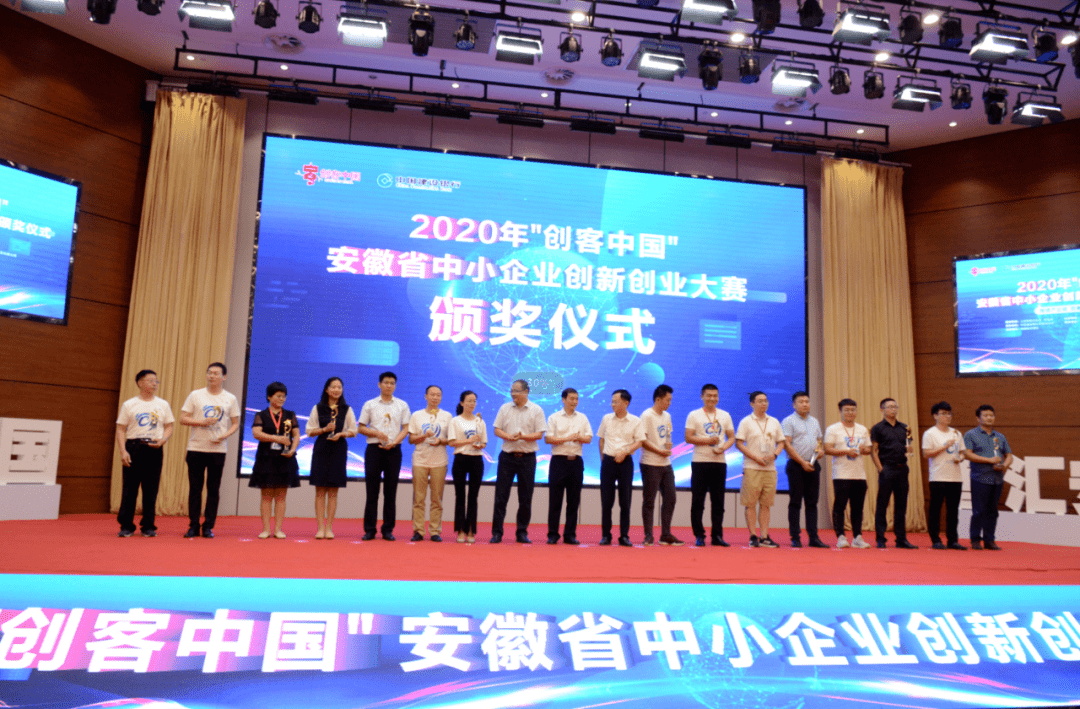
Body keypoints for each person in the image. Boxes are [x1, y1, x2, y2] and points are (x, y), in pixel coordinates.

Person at [180, 362, 240, 539]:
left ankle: (208, 526)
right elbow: (183, 419)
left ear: (224, 377)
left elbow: (235, 423)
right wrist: (202, 422)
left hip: (217, 450)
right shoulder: (196, 395)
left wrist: (224, 435)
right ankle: (193, 525)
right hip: (196, 448)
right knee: (195, 489)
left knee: (213, 489)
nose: (212, 376)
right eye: (209, 373)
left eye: (216, 373)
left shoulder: (230, 398)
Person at [114, 369, 173, 538]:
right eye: (150, 380)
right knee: (129, 489)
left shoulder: (163, 404)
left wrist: (163, 439)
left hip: (154, 448)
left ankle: (148, 526)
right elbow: (120, 429)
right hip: (134, 447)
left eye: (156, 381)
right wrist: (123, 451)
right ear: (140, 383)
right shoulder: (130, 404)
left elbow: (169, 426)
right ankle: (126, 526)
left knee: (151, 489)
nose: (154, 384)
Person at [490, 379, 546, 544]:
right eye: (512, 390)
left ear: (526, 392)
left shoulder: (536, 410)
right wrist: (508, 436)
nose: (513, 394)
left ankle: (522, 532)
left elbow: (539, 434)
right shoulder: (504, 408)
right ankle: (497, 533)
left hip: (527, 458)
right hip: (507, 457)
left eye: (516, 391)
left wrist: (523, 437)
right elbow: (496, 429)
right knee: (501, 496)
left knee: (525, 497)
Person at [357, 371, 410, 541]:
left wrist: (394, 442)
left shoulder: (402, 405)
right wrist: (377, 433)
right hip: (374, 449)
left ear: (395, 386)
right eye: (386, 382)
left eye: (392, 383)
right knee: (372, 491)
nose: (389, 385)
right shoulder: (370, 404)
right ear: (379, 384)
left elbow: (406, 428)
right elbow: (361, 427)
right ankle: (369, 529)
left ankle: (388, 529)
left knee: (390, 491)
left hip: (394, 450)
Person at [684, 383, 735, 547]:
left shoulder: (725, 415)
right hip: (700, 462)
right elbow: (688, 437)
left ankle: (717, 536)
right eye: (709, 395)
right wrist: (708, 441)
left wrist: (723, 448)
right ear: (702, 397)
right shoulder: (694, 415)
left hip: (719, 463)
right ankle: (699, 535)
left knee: (718, 501)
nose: (712, 398)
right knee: (698, 501)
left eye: (715, 396)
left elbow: (731, 437)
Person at [306, 376, 357, 539]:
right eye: (333, 387)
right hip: (321, 449)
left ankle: (329, 528)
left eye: (339, 387)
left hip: (338, 450)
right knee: (320, 490)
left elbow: (354, 430)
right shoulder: (318, 408)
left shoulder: (347, 409)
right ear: (327, 389)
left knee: (333, 491)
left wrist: (342, 434)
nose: (336, 390)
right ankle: (320, 528)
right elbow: (309, 431)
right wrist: (324, 429)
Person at [249, 381, 300, 539]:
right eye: (278, 396)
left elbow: (296, 435)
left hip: (285, 459)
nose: (281, 399)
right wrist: (277, 438)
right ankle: (266, 529)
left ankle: (278, 529)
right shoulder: (261, 415)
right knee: (266, 495)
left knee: (281, 496)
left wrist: (292, 449)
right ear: (269, 397)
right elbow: (256, 433)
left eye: (284, 396)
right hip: (266, 459)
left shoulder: (290, 415)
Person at [735, 391, 785, 548]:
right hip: (752, 467)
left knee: (766, 504)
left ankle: (764, 536)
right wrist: (755, 458)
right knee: (750, 503)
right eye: (760, 401)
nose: (764, 403)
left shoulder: (774, 421)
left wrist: (775, 455)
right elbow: (739, 443)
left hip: (770, 468)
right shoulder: (746, 422)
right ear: (752, 404)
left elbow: (781, 442)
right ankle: (753, 536)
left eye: (765, 400)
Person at [596, 389, 645, 547]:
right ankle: (606, 535)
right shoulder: (606, 418)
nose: (612, 404)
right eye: (612, 401)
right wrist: (604, 458)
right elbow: (601, 439)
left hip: (626, 462)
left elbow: (639, 441)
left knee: (625, 501)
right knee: (606, 501)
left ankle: (624, 536)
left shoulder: (635, 421)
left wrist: (625, 452)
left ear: (626, 403)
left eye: (616, 402)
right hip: (608, 462)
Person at [544, 387, 593, 545]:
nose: (574, 402)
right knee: (555, 500)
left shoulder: (582, 418)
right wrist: (567, 438)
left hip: (576, 462)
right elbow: (548, 439)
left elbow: (589, 438)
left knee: (573, 500)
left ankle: (570, 534)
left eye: (576, 399)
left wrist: (579, 437)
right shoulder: (554, 417)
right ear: (563, 399)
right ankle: (553, 534)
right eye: (571, 398)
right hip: (559, 461)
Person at [781, 391, 828, 548]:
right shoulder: (788, 421)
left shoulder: (814, 421)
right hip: (796, 465)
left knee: (812, 503)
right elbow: (787, 444)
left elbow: (819, 441)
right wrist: (802, 462)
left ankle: (813, 537)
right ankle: (795, 537)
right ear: (794, 405)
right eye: (801, 402)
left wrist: (820, 451)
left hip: (813, 464)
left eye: (807, 401)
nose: (805, 404)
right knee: (795, 502)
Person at [824, 398, 873, 549]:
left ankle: (857, 537)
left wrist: (864, 450)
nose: (850, 413)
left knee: (858, 507)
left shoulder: (862, 429)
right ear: (841, 411)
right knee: (840, 506)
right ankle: (840, 536)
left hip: (859, 474)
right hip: (841, 474)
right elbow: (827, 449)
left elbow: (869, 449)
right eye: (847, 410)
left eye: (853, 410)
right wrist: (846, 451)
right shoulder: (833, 429)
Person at [963, 404, 1013, 550]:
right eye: (985, 415)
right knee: (978, 511)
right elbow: (967, 454)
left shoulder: (1000, 436)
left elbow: (1009, 455)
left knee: (993, 511)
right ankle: (975, 540)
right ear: (978, 418)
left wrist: (1004, 465)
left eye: (991, 415)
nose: (989, 418)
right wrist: (989, 460)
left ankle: (989, 540)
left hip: (997, 478)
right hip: (980, 477)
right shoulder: (971, 434)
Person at [870, 398, 918, 549]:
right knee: (882, 504)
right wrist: (881, 469)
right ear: (882, 410)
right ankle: (880, 538)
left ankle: (901, 539)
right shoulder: (877, 428)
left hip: (902, 468)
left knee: (901, 506)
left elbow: (908, 446)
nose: (893, 409)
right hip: (887, 468)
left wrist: (909, 450)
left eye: (895, 406)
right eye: (889, 407)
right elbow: (874, 451)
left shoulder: (904, 427)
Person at [408, 385, 453, 542]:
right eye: (432, 394)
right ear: (425, 396)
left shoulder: (447, 416)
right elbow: (411, 439)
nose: (435, 397)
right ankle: (418, 531)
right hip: (420, 460)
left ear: (441, 397)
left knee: (437, 499)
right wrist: (423, 436)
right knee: (419, 498)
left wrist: (440, 441)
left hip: (439, 462)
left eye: (438, 395)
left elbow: (451, 440)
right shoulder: (417, 415)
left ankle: (435, 531)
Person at [640, 384, 682, 547]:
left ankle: (665, 534)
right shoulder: (647, 415)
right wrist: (659, 450)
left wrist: (669, 445)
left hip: (666, 463)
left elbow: (667, 435)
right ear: (658, 399)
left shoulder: (667, 416)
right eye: (667, 400)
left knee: (671, 497)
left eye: (670, 400)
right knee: (649, 500)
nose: (669, 403)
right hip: (650, 463)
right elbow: (643, 440)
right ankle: (648, 535)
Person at [922, 401, 967, 550]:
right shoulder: (930, 433)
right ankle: (935, 539)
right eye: (943, 413)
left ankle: (952, 540)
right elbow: (926, 453)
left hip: (955, 477)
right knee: (935, 510)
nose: (947, 416)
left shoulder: (956, 433)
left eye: (949, 413)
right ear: (935, 416)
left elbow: (963, 452)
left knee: (953, 510)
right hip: (938, 477)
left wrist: (960, 458)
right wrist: (944, 446)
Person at [448, 390, 487, 544]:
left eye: (474, 401)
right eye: (469, 400)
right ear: (462, 403)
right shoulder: (455, 421)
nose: (472, 403)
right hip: (460, 459)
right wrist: (469, 441)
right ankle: (460, 530)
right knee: (460, 495)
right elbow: (452, 442)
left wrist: (479, 445)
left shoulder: (480, 421)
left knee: (473, 496)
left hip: (476, 459)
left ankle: (471, 529)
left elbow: (484, 442)